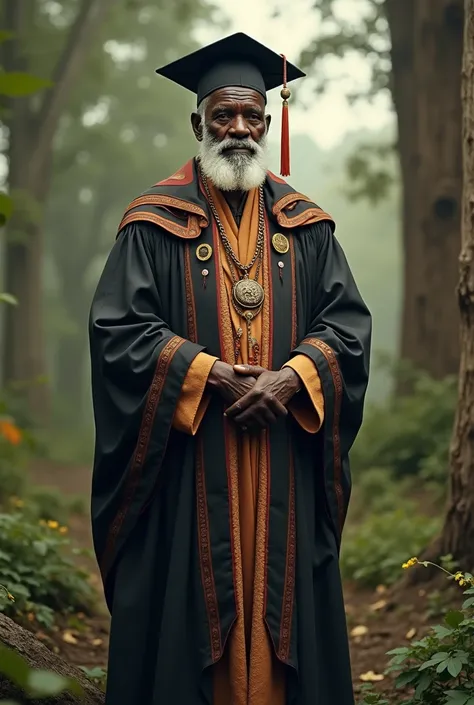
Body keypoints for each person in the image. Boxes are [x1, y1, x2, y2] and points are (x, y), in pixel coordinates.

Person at [89, 32, 371, 705]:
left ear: (268, 124)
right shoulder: (153, 223)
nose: (238, 127)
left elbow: (347, 328)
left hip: (284, 469)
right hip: (190, 465)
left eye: (251, 115)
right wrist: (206, 371)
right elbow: (118, 329)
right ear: (198, 123)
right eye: (223, 114)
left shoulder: (308, 227)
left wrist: (292, 376)